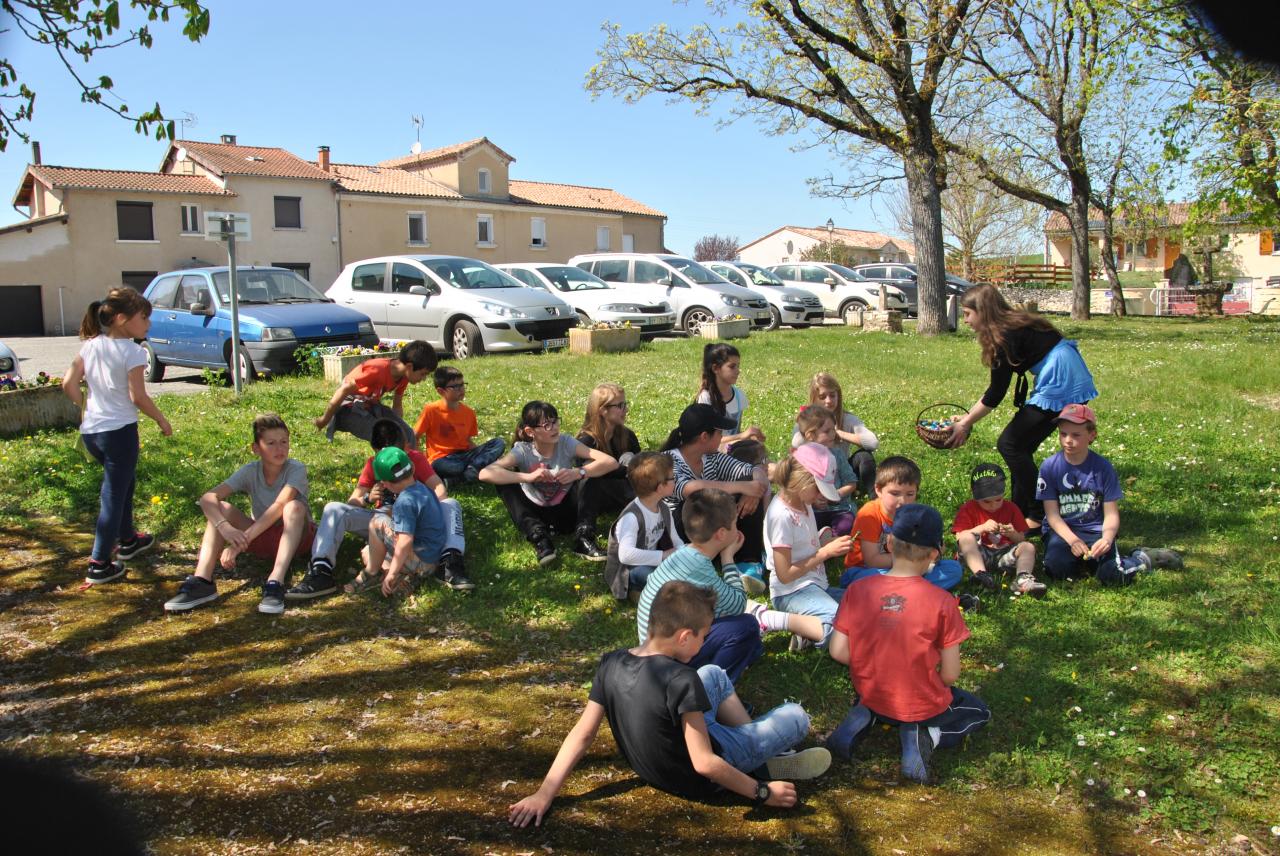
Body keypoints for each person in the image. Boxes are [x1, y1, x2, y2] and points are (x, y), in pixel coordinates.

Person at [508, 580, 831, 828]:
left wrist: (545, 792)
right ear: (685, 637)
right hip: (700, 777)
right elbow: (704, 763)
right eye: (704, 635)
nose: (705, 642)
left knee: (713, 673)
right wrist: (763, 793)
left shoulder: (611, 663)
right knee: (795, 716)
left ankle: (752, 749)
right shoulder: (680, 680)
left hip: (654, 767)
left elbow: (583, 734)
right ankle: (751, 761)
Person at [827, 504, 991, 784]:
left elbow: (838, 651)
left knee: (880, 699)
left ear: (889, 543)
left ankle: (866, 715)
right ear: (934, 553)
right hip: (920, 702)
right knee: (978, 711)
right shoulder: (941, 602)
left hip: (871, 690)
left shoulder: (857, 590)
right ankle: (925, 734)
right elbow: (950, 675)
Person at [945, 285, 1099, 525]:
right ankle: (1021, 510)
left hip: (1061, 383)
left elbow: (995, 395)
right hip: (1071, 375)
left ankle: (1040, 511)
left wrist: (965, 423)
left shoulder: (1003, 336)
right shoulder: (1015, 323)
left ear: (983, 312)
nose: (965, 320)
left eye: (967, 313)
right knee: (1020, 447)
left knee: (1010, 445)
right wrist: (966, 420)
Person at [288, 418, 472, 600]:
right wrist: (368, 498)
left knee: (450, 504)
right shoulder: (375, 464)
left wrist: (426, 515)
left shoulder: (415, 460)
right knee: (334, 509)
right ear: (375, 451)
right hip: (383, 520)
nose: (389, 459)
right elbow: (353, 501)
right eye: (381, 454)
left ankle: (450, 563)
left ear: (406, 448)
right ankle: (321, 570)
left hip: (414, 526)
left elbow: (439, 488)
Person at [61, 287, 172, 585]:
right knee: (112, 494)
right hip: (119, 433)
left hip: (92, 433)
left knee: (123, 483)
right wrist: (161, 419)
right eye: (144, 318)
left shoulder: (91, 345)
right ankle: (99, 563)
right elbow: (138, 397)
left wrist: (85, 405)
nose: (148, 324)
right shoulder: (133, 351)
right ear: (122, 319)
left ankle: (128, 539)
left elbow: (68, 384)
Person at [164, 413, 316, 615]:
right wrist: (225, 528)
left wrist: (238, 544)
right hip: (260, 536)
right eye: (271, 443)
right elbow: (207, 498)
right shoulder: (250, 471)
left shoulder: (296, 468)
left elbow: (280, 505)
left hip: (296, 537)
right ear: (256, 448)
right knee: (222, 508)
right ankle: (202, 580)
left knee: (293, 507)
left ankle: (275, 582)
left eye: (284, 442)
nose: (279, 449)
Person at [1037, 404, 1182, 584]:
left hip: (1096, 530)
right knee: (1057, 570)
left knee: (1114, 575)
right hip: (1063, 532)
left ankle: (1142, 558)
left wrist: (1106, 538)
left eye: (1076, 435)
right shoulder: (1050, 467)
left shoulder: (1102, 468)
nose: (1068, 440)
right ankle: (1083, 563)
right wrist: (1072, 540)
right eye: (1063, 433)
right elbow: (1052, 515)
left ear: (1092, 435)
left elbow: (1111, 514)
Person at [634, 489, 764, 683]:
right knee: (746, 627)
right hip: (669, 660)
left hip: (655, 646)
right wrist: (728, 558)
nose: (737, 528)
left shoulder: (684, 554)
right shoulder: (699, 567)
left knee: (753, 644)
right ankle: (710, 688)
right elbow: (737, 604)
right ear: (721, 534)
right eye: (735, 523)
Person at [479, 401, 618, 565]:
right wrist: (527, 477)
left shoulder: (566, 442)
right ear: (530, 431)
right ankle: (539, 538)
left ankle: (584, 537)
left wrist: (577, 473)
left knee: (590, 473)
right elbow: (484, 473)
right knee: (505, 481)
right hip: (537, 513)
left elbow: (611, 462)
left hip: (568, 512)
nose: (554, 428)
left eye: (555, 421)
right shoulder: (523, 450)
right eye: (546, 425)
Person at [754, 444, 854, 654]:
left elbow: (802, 545)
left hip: (815, 586)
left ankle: (808, 630)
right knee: (841, 627)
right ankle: (790, 623)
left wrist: (824, 541)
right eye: (818, 488)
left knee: (860, 605)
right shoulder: (781, 516)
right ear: (802, 481)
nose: (821, 495)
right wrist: (824, 553)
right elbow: (784, 574)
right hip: (790, 592)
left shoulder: (803, 501)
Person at [661, 403, 770, 585]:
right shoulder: (668, 460)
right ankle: (720, 557)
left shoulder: (712, 457)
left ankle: (749, 563)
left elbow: (754, 471)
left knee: (747, 481)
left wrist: (753, 491)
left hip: (711, 525)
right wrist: (743, 488)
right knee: (694, 502)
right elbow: (690, 489)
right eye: (720, 433)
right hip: (683, 531)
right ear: (704, 436)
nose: (722, 438)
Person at [839, 456, 963, 595]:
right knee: (870, 578)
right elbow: (872, 560)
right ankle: (913, 589)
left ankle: (901, 591)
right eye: (895, 493)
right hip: (865, 570)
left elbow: (930, 545)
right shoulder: (869, 515)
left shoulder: (915, 514)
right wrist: (915, 559)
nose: (903, 501)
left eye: (910, 494)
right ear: (878, 490)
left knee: (953, 569)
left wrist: (933, 551)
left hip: (907, 568)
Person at [347, 446, 449, 598]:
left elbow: (405, 541)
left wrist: (392, 573)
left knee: (376, 523)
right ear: (412, 469)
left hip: (420, 560)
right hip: (433, 557)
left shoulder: (404, 501)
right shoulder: (422, 488)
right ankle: (404, 578)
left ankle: (374, 573)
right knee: (368, 551)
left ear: (385, 484)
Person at [313, 340, 437, 446]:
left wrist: (398, 427)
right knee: (385, 438)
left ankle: (415, 470)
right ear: (409, 367)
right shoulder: (376, 370)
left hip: (370, 406)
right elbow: (344, 389)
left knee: (407, 434)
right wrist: (324, 420)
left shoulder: (403, 376)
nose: (424, 379)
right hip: (347, 408)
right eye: (423, 374)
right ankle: (390, 469)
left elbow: (397, 405)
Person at [953, 462, 1045, 597]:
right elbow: (960, 537)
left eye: (998, 499)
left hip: (1003, 554)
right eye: (986, 501)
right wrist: (982, 528)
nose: (993, 505)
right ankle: (981, 574)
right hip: (977, 554)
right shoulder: (969, 508)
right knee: (967, 538)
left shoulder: (1011, 508)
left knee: (1028, 547)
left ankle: (1023, 577)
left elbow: (1021, 538)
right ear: (974, 495)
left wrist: (1012, 533)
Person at [603, 452, 684, 601]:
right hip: (629, 571)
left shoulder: (664, 508)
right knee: (659, 578)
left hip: (653, 562)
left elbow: (676, 540)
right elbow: (626, 555)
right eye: (673, 478)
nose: (675, 481)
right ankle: (637, 591)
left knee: (683, 571)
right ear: (660, 487)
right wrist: (664, 556)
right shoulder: (632, 517)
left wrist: (685, 553)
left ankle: (651, 592)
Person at [413, 365, 505, 483]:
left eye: (462, 384)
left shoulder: (469, 413)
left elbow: (468, 441)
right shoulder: (431, 410)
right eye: (455, 386)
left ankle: (465, 474)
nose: (461, 389)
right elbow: (415, 436)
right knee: (453, 467)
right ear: (441, 391)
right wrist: (421, 462)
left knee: (499, 443)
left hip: (465, 455)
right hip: (442, 459)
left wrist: (487, 455)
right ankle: (472, 472)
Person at [792, 371, 878, 493]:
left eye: (832, 395)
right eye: (822, 397)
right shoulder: (806, 420)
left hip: (843, 471)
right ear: (814, 399)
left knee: (864, 456)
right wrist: (813, 428)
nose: (828, 401)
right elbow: (796, 444)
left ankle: (875, 497)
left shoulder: (847, 418)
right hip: (816, 471)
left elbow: (873, 443)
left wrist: (839, 433)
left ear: (838, 396)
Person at [577, 382, 643, 518]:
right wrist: (625, 471)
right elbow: (589, 477)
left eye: (625, 404)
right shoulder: (586, 441)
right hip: (598, 495)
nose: (626, 410)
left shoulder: (627, 435)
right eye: (620, 406)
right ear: (602, 410)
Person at [794, 404, 858, 535]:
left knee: (846, 526)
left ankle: (826, 539)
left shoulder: (837, 454)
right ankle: (822, 539)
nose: (833, 434)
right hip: (811, 511)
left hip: (840, 509)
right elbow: (795, 489)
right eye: (827, 431)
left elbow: (851, 483)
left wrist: (836, 495)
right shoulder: (801, 459)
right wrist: (813, 500)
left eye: (833, 429)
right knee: (800, 528)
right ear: (810, 435)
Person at [695, 342, 764, 449]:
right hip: (710, 452)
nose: (738, 371)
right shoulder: (706, 397)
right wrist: (742, 436)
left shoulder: (738, 395)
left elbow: (736, 432)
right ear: (715, 369)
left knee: (758, 447)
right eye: (732, 367)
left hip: (731, 447)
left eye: (738, 366)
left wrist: (751, 437)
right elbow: (708, 441)